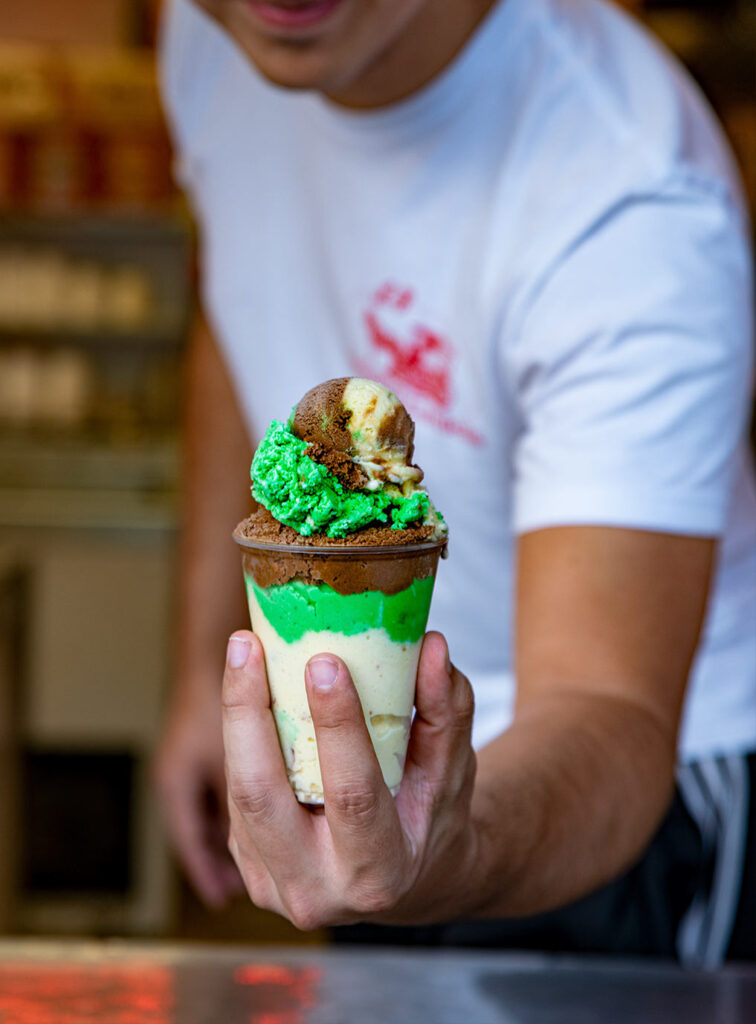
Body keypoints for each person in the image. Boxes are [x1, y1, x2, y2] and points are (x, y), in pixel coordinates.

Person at [154, 0, 756, 966]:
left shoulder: (631, 195)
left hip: (612, 806)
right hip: (372, 765)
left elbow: (610, 707)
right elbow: (238, 308)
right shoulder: (214, 41)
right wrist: (198, 674)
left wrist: (437, 843)